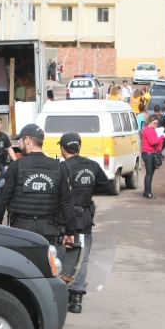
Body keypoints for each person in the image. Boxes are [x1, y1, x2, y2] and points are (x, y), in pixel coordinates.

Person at [0, 124, 76, 247]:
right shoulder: (58, 167)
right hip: (47, 231)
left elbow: (1, 199)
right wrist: (70, 231)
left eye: (20, 140)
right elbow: (67, 202)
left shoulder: (16, 166)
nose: (19, 144)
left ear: (27, 140)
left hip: (20, 230)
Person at [59, 133, 110, 313]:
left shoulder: (63, 167)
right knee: (83, 258)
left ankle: (63, 295)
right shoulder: (92, 165)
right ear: (79, 147)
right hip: (86, 217)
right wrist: (87, 191)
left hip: (66, 218)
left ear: (62, 148)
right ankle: (77, 300)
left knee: (64, 255)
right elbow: (106, 186)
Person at [141, 115, 164, 199]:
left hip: (151, 153)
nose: (156, 125)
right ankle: (147, 192)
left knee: (150, 173)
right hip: (148, 153)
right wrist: (162, 136)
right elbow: (152, 142)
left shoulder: (151, 129)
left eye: (157, 123)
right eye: (154, 123)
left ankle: (146, 191)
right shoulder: (148, 130)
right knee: (149, 173)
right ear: (149, 122)